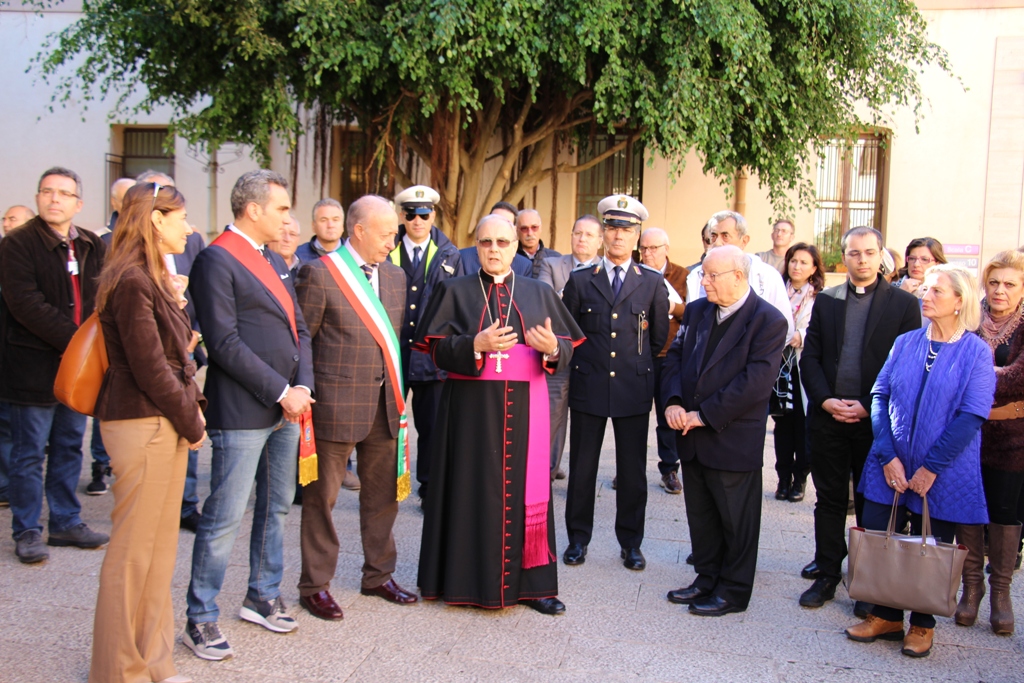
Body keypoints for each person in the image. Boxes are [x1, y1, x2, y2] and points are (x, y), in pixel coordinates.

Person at [415, 214, 584, 615]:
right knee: (470, 490)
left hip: (526, 410)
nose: (495, 250)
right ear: (476, 245)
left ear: (514, 247)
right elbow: (432, 349)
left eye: (503, 243)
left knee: (528, 493)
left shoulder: (538, 291)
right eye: (486, 242)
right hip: (469, 414)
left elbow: (567, 349)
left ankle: (534, 586)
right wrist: (474, 342)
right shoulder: (453, 290)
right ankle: (463, 581)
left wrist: (554, 349)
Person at [183, 170, 314, 660]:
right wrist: (282, 390)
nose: (287, 219)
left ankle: (261, 594)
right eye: (281, 209)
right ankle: (200, 617)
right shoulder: (217, 259)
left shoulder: (272, 259)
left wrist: (303, 385)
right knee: (224, 516)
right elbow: (223, 343)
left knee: (276, 506)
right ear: (253, 209)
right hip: (242, 409)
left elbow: (298, 328)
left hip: (288, 405)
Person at [88, 182, 207, 683]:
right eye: (180, 217)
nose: (188, 226)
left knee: (159, 555)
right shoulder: (133, 279)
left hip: (160, 421)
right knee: (134, 555)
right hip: (143, 421)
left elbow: (170, 354)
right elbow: (150, 367)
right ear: (155, 220)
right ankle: (118, 671)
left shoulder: (152, 278)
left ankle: (153, 661)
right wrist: (191, 419)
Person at [845, 264, 994, 658]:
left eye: (936, 291)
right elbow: (879, 397)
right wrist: (888, 454)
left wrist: (930, 468)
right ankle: (886, 615)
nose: (925, 297)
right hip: (889, 463)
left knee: (934, 545)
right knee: (879, 535)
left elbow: (972, 415)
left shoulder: (976, 352)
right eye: (924, 289)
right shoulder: (906, 342)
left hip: (943, 469)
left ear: (960, 302)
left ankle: (923, 625)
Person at [296, 195, 419, 620]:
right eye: (387, 234)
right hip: (334, 407)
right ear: (359, 231)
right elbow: (303, 341)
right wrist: (306, 394)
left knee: (383, 498)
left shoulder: (397, 277)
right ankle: (315, 585)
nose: (393, 241)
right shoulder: (319, 274)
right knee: (322, 500)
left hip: (386, 406)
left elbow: (394, 341)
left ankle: (378, 575)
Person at [798, 227, 922, 612]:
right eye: (854, 253)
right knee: (830, 499)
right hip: (829, 418)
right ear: (843, 257)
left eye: (870, 252)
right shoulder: (828, 301)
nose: (863, 259)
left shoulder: (902, 304)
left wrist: (869, 405)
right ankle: (827, 575)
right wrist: (826, 401)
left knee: (873, 504)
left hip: (876, 422)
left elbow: (906, 366)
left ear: (881, 255)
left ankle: (867, 584)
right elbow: (811, 359)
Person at [662, 245, 788, 616]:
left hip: (731, 436)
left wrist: (703, 414)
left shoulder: (768, 321)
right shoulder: (699, 311)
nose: (703, 281)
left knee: (736, 519)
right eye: (704, 274)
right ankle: (706, 577)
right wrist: (672, 400)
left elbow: (755, 382)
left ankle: (733, 590)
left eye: (711, 275)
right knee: (701, 513)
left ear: (739, 276)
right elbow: (675, 356)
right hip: (691, 433)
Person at [0, 166, 109, 564]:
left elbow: (103, 296)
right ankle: (27, 528)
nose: (54, 199)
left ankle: (65, 520)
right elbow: (24, 303)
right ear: (37, 198)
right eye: (47, 191)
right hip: (33, 366)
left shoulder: (92, 246)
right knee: (29, 451)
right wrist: (77, 341)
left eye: (63, 193)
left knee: (67, 445)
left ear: (78, 204)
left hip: (79, 369)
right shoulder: (17, 244)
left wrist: (92, 346)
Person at [562, 195, 668, 572]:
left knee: (633, 470)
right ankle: (577, 539)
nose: (619, 236)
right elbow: (570, 335)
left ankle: (631, 543)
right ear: (603, 233)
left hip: (632, 388)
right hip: (589, 386)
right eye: (612, 228)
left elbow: (657, 341)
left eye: (627, 229)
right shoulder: (579, 281)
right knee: (583, 468)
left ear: (637, 235)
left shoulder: (653, 284)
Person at [955, 250, 1024, 635]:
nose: (1000, 290)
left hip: (1012, 443)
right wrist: (1008, 403)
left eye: (1010, 284)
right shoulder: (968, 317)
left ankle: (1000, 594)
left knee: (1002, 512)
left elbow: (1019, 378)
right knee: (967, 511)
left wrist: (975, 376)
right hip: (967, 436)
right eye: (994, 282)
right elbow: (953, 364)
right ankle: (972, 589)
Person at [387, 185, 463, 500]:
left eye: (424, 213)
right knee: (388, 424)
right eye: (410, 214)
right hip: (391, 350)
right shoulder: (386, 249)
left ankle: (429, 487)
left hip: (431, 354)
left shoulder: (450, 253)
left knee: (432, 426)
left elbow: (457, 304)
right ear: (401, 216)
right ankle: (389, 484)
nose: (417, 220)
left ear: (433, 214)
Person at [294, 198, 360, 491]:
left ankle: (344, 467)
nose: (330, 224)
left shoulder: (354, 257)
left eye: (335, 218)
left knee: (340, 418)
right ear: (313, 225)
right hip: (316, 346)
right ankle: (306, 474)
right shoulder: (300, 257)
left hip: (346, 349)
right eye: (323, 219)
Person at [538, 215, 602, 479]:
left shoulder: (608, 269)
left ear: (600, 241)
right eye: (578, 233)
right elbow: (543, 299)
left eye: (588, 235)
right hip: (559, 349)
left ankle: (581, 474)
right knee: (553, 412)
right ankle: (546, 469)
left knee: (588, 419)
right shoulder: (552, 264)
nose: (582, 239)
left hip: (593, 355)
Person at [686, 211, 795, 342]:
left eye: (725, 236)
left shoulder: (768, 276)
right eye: (713, 236)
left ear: (744, 241)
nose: (717, 243)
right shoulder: (696, 277)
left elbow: (784, 330)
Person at [773, 243, 825, 503]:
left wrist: (800, 336)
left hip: (803, 367)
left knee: (804, 427)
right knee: (782, 424)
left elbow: (819, 332)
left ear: (814, 268)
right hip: (779, 366)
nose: (797, 266)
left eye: (804, 262)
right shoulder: (776, 291)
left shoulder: (820, 298)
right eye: (793, 261)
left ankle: (800, 479)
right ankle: (782, 478)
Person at [638, 227, 688, 495]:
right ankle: (629, 471)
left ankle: (669, 470)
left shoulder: (683, 275)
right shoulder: (634, 273)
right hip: (637, 355)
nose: (647, 253)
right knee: (633, 415)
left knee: (668, 415)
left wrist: (672, 307)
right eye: (643, 248)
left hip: (669, 356)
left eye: (653, 248)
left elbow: (694, 311)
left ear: (666, 248)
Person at [460, 201, 534, 277]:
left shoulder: (524, 265)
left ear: (514, 229)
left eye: (503, 223)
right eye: (493, 219)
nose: (497, 225)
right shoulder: (463, 258)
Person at [295, 197, 344, 263]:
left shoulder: (353, 254)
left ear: (342, 226)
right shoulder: (298, 255)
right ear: (313, 226)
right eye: (324, 220)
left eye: (335, 220)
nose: (330, 225)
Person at [516, 209, 561, 278]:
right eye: (524, 228)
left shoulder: (556, 259)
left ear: (540, 228)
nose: (530, 233)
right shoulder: (509, 259)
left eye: (534, 227)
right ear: (517, 231)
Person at [268, 213, 303, 279]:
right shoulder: (258, 265)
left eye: (292, 234)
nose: (287, 239)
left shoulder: (306, 269)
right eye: (282, 233)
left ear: (298, 239)